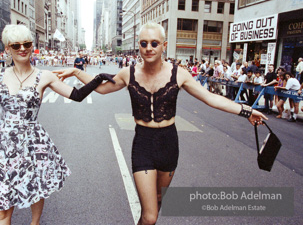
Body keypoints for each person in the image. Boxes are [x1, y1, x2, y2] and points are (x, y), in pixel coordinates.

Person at [56, 22, 266, 225]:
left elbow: (211, 98)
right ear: (138, 45)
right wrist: (75, 72)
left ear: (164, 46)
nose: (148, 48)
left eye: (154, 43)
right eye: (143, 43)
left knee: (157, 201)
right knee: (150, 217)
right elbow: (101, 88)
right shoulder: (128, 73)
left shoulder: (179, 74)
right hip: (143, 144)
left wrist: (246, 110)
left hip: (168, 143)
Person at [0, 24, 114, 225]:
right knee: (1, 212)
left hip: (33, 142)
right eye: (16, 45)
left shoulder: (44, 76)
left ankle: (35, 222)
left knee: (36, 187)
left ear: (31, 46)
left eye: (27, 44)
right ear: (7, 49)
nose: (22, 48)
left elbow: (77, 95)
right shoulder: (0, 75)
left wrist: (96, 78)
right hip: (3, 147)